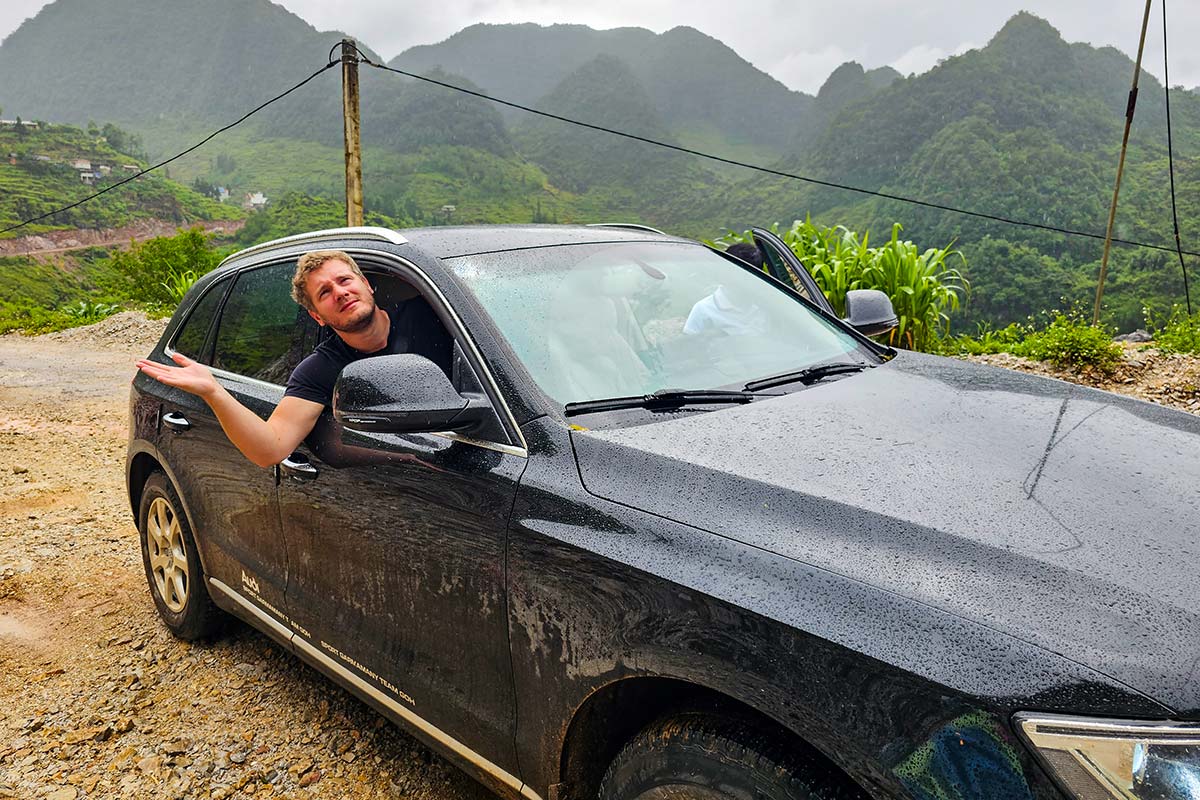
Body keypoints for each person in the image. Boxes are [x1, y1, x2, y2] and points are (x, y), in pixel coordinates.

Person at [135, 250, 449, 468]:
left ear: (365, 284)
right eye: (324, 293)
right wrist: (214, 391)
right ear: (317, 317)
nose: (340, 293)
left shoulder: (437, 318)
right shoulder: (320, 369)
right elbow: (270, 447)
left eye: (344, 280)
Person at [682, 242, 768, 337]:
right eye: (739, 276)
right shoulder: (704, 310)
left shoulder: (765, 307)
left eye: (750, 277)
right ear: (725, 274)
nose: (745, 282)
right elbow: (689, 343)